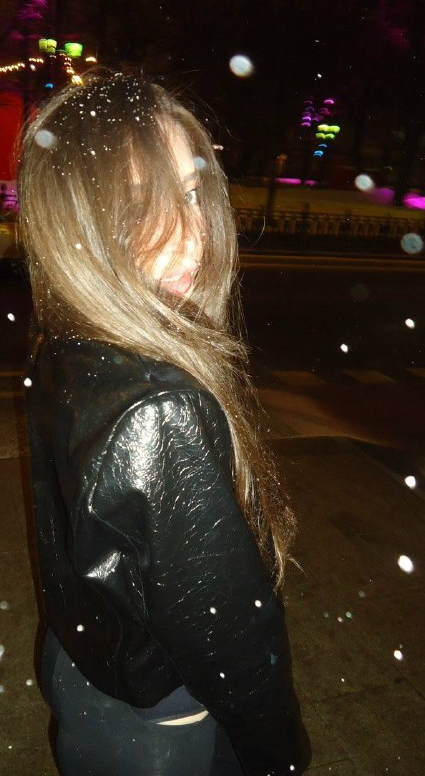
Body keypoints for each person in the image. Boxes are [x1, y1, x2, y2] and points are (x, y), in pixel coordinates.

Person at [18, 71, 311, 776]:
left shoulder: (68, 338)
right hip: (156, 728)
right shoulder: (160, 406)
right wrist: (280, 756)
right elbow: (230, 639)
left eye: (190, 191)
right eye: (141, 202)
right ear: (81, 218)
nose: (191, 233)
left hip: (84, 667)